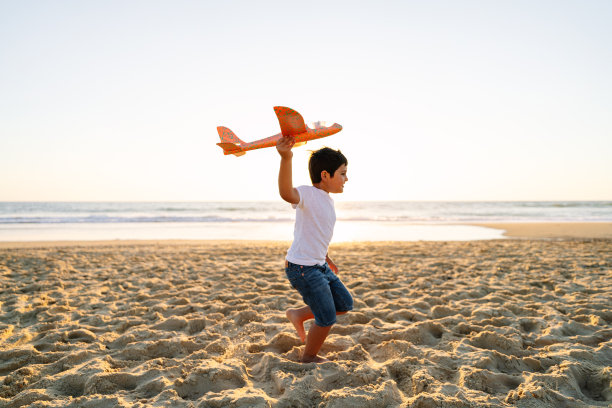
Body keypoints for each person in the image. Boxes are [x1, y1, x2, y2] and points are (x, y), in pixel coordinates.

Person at [276, 135, 353, 363]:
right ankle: (308, 357)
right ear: (325, 175)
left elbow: (318, 233)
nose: (346, 179)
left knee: (344, 304)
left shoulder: (328, 200)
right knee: (327, 317)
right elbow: (285, 192)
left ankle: (298, 314)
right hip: (302, 268)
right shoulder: (307, 194)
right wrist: (286, 157)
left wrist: (327, 257)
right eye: (342, 173)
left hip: (319, 265)